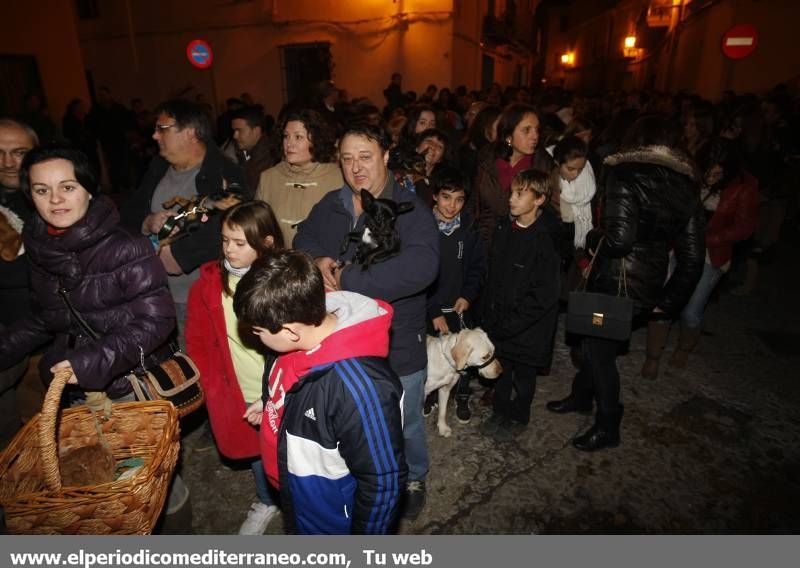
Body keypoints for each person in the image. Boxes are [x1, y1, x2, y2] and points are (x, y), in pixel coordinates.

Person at [294, 121, 439, 520]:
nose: (356, 167)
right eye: (347, 159)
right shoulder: (332, 203)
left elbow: (423, 266)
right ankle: (363, 473)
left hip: (397, 343)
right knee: (355, 417)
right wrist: (318, 260)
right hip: (342, 341)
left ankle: (414, 476)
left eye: (366, 157)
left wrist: (352, 279)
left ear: (386, 157)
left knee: (404, 419)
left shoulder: (410, 208)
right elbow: (302, 238)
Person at [546, 115, 705, 452]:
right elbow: (692, 255)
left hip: (615, 281)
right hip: (647, 281)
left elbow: (618, 240)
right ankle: (580, 396)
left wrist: (589, 236)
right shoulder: (685, 182)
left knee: (599, 351)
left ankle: (608, 422)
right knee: (591, 340)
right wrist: (669, 299)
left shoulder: (625, 172)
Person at [233, 250, 407, 534]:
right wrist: (271, 402)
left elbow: (383, 481)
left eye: (258, 331)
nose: (255, 337)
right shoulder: (296, 333)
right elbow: (292, 381)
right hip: (300, 497)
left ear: (289, 331)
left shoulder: (362, 389)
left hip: (330, 517)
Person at [0, 143, 175, 415]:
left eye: (67, 187)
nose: (55, 199)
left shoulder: (126, 246)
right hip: (72, 384)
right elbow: (47, 316)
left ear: (89, 190)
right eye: (42, 190)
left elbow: (157, 321)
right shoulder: (40, 246)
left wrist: (89, 363)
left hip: (128, 386)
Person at [186, 201, 284, 534]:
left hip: (286, 388)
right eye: (225, 240)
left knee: (292, 448)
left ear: (266, 243)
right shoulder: (209, 286)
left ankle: (302, 503)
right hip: (240, 388)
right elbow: (197, 339)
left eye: (240, 243)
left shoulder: (284, 282)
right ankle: (266, 499)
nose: (229, 249)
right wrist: (210, 382)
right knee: (257, 450)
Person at [120, 98, 247, 345]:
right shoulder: (158, 167)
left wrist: (179, 256)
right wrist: (148, 221)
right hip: (152, 291)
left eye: (162, 129)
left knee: (199, 361)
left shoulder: (223, 172)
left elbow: (231, 223)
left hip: (198, 294)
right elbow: (128, 213)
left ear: (189, 132)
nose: (155, 136)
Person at [645, 138, 758, 374]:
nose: (711, 176)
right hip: (680, 246)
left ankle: (685, 348)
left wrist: (707, 240)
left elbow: (744, 228)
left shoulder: (744, 186)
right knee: (664, 302)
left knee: (691, 311)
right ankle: (653, 356)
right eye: (708, 170)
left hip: (711, 253)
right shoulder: (691, 173)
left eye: (717, 173)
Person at [479, 170, 561, 442]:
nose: (511, 199)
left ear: (539, 199)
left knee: (524, 377)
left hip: (528, 328)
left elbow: (544, 295)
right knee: (502, 371)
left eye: (519, 194)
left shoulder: (545, 240)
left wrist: (513, 322)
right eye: (511, 192)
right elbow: (494, 275)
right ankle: (500, 411)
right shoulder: (505, 228)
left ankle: (519, 415)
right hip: (500, 321)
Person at [424, 167, 487, 424]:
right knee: (430, 356)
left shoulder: (469, 230)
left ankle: (461, 395)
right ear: (435, 197)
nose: (452, 205)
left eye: (459, 199)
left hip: (459, 307)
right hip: (431, 309)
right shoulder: (423, 229)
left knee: (463, 356)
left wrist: (468, 295)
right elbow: (417, 274)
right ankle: (427, 396)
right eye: (446, 197)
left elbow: (478, 268)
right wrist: (433, 310)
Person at [0, 119, 37, 447]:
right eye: (0, 153)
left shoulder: (51, 192)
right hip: (14, 337)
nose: (8, 162)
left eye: (18, 152)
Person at [255, 109, 342, 246]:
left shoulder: (338, 178)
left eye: (298, 137)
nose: (289, 143)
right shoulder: (268, 178)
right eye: (286, 136)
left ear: (316, 140)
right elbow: (258, 227)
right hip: (279, 263)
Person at [474, 103, 554, 249]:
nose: (535, 136)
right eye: (526, 130)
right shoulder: (487, 157)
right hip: (483, 242)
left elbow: (548, 210)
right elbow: (474, 201)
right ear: (509, 135)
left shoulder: (542, 164)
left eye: (537, 130)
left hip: (521, 245)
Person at [231, 106, 275, 194]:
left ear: (256, 131)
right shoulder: (246, 153)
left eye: (239, 130)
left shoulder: (268, 156)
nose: (235, 136)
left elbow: (251, 193)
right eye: (234, 131)